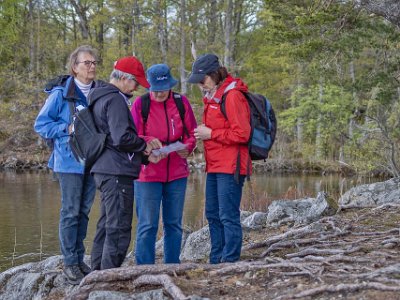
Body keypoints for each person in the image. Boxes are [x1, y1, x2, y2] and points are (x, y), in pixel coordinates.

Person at [88, 56, 161, 270]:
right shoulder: (116, 99)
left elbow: (113, 139)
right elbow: (122, 138)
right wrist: (144, 146)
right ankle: (109, 276)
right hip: (116, 172)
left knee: (106, 224)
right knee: (119, 227)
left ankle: (96, 273)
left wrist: (143, 155)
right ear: (122, 78)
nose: (137, 87)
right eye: (135, 81)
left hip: (104, 168)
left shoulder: (99, 97)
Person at [34, 45, 98, 284]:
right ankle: (69, 263)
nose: (91, 67)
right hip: (68, 162)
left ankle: (80, 259)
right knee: (70, 212)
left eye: (93, 63)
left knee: (83, 212)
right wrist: (65, 129)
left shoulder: (98, 92)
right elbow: (41, 125)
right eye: (86, 63)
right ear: (74, 67)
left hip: (92, 161)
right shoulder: (60, 94)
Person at [187, 54, 251, 264]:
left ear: (214, 74)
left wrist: (211, 134)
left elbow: (243, 134)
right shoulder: (213, 95)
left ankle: (230, 261)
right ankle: (216, 260)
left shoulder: (232, 96)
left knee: (227, 215)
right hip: (214, 165)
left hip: (231, 165)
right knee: (212, 214)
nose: (199, 84)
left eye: (202, 79)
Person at [130, 64, 197, 264]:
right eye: (156, 90)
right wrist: (148, 141)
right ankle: (144, 268)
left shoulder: (181, 102)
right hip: (147, 175)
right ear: (149, 86)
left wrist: (188, 147)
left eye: (164, 89)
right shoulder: (140, 105)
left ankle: (171, 266)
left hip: (177, 173)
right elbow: (132, 136)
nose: (160, 94)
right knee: (147, 225)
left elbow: (191, 132)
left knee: (174, 224)